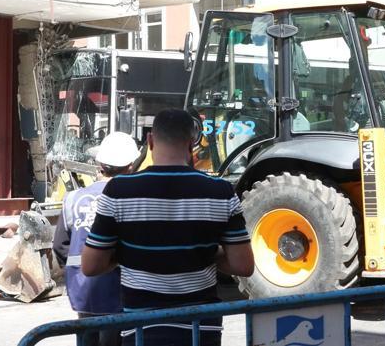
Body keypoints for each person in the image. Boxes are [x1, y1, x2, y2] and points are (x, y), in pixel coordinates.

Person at [82, 109, 255, 346]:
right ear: (192, 142)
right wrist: (204, 252)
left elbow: (91, 266)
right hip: (201, 330)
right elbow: (242, 265)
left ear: (150, 140)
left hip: (141, 329)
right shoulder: (220, 192)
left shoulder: (118, 191)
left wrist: (129, 253)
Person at [53, 132, 140, 346]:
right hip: (117, 292)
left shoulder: (73, 198)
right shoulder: (128, 199)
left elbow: (60, 245)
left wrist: (79, 273)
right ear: (131, 166)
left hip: (81, 291)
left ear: (100, 163)